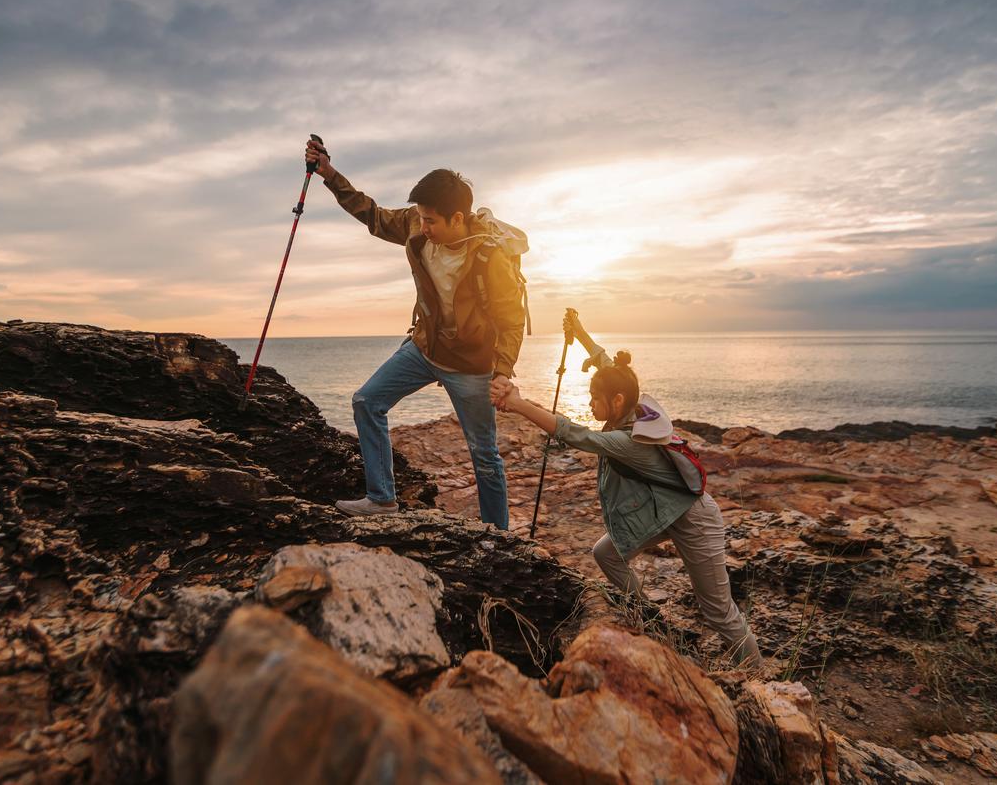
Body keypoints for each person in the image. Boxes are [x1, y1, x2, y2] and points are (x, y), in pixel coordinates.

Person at [491, 312, 763, 667]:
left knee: (718, 612)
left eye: (594, 398)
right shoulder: (632, 402)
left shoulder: (628, 439)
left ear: (616, 401)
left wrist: (518, 404)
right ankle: (650, 618)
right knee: (607, 553)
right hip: (661, 511)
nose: (590, 404)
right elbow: (608, 365)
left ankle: (762, 680)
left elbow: (574, 434)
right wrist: (581, 334)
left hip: (695, 519)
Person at [306, 139, 527, 529]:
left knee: (484, 454)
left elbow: (511, 319)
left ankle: (499, 535)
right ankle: (381, 499)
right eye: (420, 217)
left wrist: (503, 370)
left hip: (471, 364)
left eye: (431, 221)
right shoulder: (417, 226)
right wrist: (329, 174)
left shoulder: (490, 258)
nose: (421, 226)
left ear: (457, 218)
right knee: (366, 402)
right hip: (423, 348)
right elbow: (372, 215)